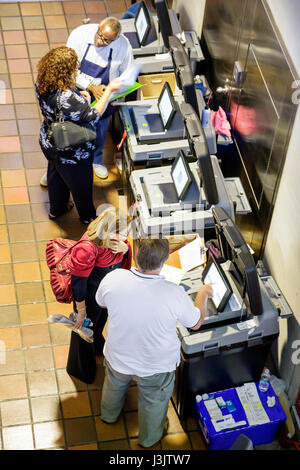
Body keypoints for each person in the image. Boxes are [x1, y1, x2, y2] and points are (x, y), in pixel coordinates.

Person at [95, 237, 213, 448]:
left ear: (137, 256)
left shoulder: (114, 278)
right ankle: (149, 438)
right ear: (164, 262)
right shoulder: (173, 293)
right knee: (153, 402)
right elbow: (196, 323)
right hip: (155, 367)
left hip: (117, 356)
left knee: (113, 386)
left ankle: (108, 415)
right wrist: (203, 294)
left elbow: (101, 303)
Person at [40, 17, 134, 186]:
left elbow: (126, 73)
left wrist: (114, 92)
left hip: (103, 95)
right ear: (97, 28)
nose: (100, 41)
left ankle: (96, 160)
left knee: (99, 128)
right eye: (99, 35)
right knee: (65, 131)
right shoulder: (80, 35)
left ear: (116, 39)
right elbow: (68, 69)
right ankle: (55, 168)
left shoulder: (124, 46)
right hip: (77, 88)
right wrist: (90, 86)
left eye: (106, 40)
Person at [36, 46, 122, 224]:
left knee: (56, 175)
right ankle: (88, 218)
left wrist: (78, 97)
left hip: (50, 141)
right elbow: (93, 115)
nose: (77, 70)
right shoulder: (67, 98)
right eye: (74, 68)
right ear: (65, 71)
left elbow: (64, 106)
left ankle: (57, 210)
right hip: (71, 151)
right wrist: (109, 92)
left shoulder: (42, 83)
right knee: (81, 185)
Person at [66, 207, 132, 384]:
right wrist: (81, 310)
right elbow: (78, 284)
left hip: (105, 295)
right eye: (122, 234)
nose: (125, 238)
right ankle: (80, 368)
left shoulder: (119, 243)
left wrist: (125, 250)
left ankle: (95, 347)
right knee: (83, 333)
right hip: (88, 299)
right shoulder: (87, 250)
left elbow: (123, 265)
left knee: (98, 324)